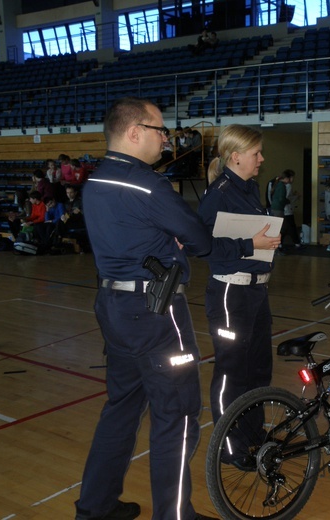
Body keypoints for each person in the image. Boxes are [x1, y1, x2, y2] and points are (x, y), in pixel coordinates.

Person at [75, 97, 217, 520]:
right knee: (177, 414)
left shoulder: (95, 182)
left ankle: (95, 508)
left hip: (113, 307)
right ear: (135, 132)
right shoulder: (148, 185)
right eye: (160, 129)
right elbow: (201, 240)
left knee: (121, 407)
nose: (166, 138)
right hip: (156, 313)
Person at [196, 124, 281, 470]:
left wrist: (267, 242)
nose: (261, 158)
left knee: (258, 369)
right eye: (256, 153)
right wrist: (251, 245)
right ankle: (230, 446)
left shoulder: (249, 189)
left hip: (256, 290)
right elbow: (202, 246)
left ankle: (252, 433)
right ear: (235, 157)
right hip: (231, 292)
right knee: (232, 371)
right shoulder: (218, 194)